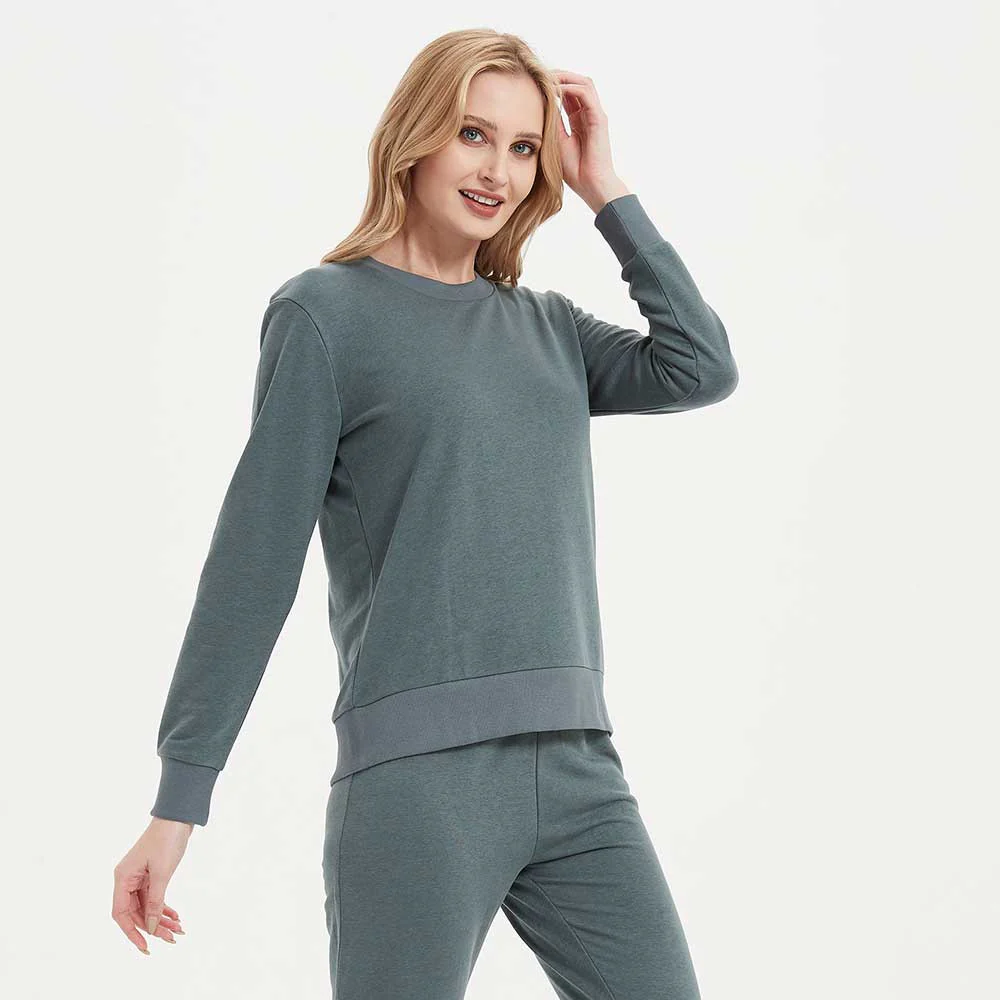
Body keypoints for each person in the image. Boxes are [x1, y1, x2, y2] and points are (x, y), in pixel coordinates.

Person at [112, 27, 738, 998]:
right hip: (416, 784)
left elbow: (699, 367)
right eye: (472, 134)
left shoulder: (549, 329)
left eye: (523, 147)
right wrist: (179, 798)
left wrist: (605, 188)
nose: (497, 171)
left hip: (580, 770)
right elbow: (253, 562)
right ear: (415, 134)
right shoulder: (326, 314)